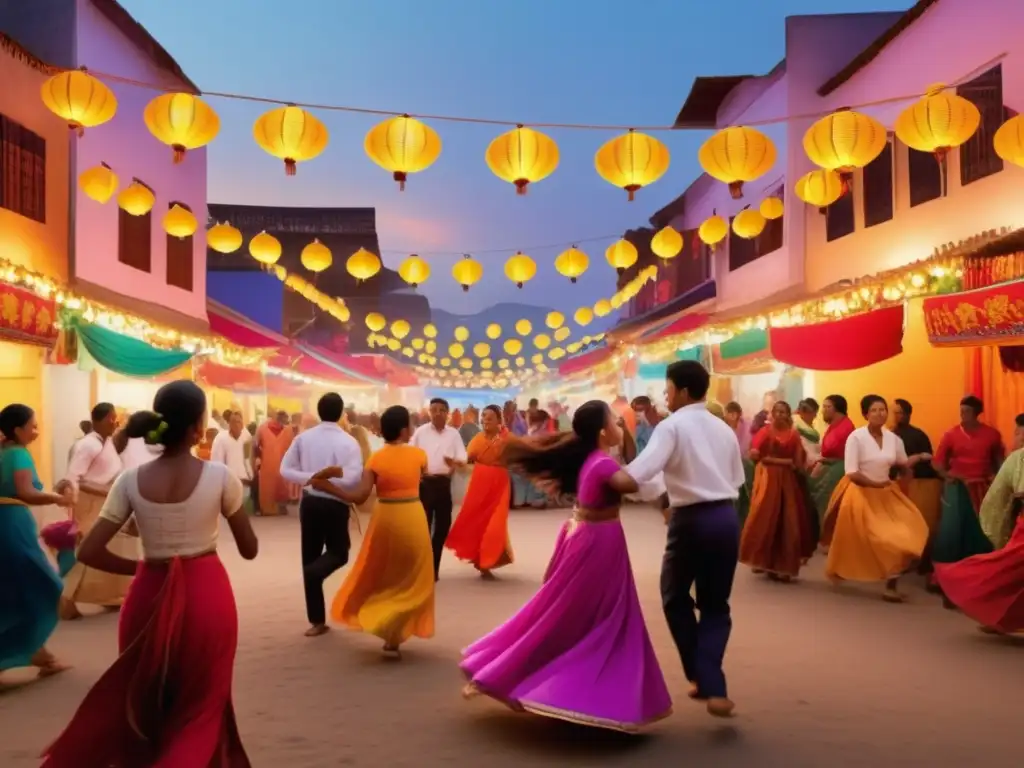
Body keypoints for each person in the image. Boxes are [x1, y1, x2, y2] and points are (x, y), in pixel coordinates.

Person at [41, 381, 258, 766]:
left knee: (146, 705)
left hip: (147, 593)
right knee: (202, 705)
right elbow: (249, 548)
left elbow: (89, 550)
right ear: (198, 426)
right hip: (206, 593)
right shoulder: (220, 477)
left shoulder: (130, 480)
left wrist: (142, 565)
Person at [461, 400, 671, 732]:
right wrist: (664, 459)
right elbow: (630, 485)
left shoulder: (594, 457)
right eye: (616, 421)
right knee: (578, 613)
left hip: (592, 536)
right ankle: (507, 673)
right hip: (597, 541)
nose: (621, 425)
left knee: (580, 612)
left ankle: (518, 673)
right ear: (603, 431)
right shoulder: (601, 462)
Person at [624, 361, 745, 718]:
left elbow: (641, 472)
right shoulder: (723, 429)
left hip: (691, 520)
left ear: (683, 391)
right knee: (715, 604)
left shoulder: (671, 426)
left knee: (674, 596)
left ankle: (705, 677)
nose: (665, 394)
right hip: (725, 518)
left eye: (668, 388)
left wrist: (603, 478)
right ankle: (711, 684)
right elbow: (736, 479)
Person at [321, 405, 434, 657]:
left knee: (382, 573)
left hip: (385, 518)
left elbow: (360, 497)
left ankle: (386, 625)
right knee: (414, 574)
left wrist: (331, 489)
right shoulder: (419, 455)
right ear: (405, 430)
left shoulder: (375, 459)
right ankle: (396, 628)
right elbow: (423, 477)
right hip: (413, 516)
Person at [820, 395, 931, 603]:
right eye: (874, 410)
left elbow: (901, 463)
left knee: (905, 533)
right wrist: (875, 484)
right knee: (867, 538)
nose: (880, 414)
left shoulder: (893, 439)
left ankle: (891, 585)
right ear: (865, 414)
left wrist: (916, 460)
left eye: (883, 410)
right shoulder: (856, 437)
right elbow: (852, 472)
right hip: (860, 492)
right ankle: (845, 570)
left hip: (887, 493)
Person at [279, 393, 364, 638]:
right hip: (335, 504)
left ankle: (316, 621)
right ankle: (314, 573)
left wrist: (310, 479)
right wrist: (328, 480)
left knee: (310, 555)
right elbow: (353, 478)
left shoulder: (303, 438)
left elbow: (285, 469)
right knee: (340, 552)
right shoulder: (349, 442)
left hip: (310, 503)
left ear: (319, 411)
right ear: (341, 413)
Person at [934, 413, 1024, 634]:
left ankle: (995, 615)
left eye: (1018, 431)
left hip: (996, 504)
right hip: (978, 499)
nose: (1016, 435)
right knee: (1005, 571)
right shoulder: (1020, 458)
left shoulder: (1003, 445)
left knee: (1010, 573)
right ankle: (968, 592)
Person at [0, 404, 72, 680]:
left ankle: (40, 654)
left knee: (14, 591)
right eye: (33, 425)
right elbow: (26, 492)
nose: (36, 431)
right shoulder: (18, 453)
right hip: (12, 525)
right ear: (17, 430)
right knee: (46, 587)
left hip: (7, 524)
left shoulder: (5, 452)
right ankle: (13, 652)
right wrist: (57, 497)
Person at [58, 401, 131, 620]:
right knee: (88, 552)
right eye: (111, 418)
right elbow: (75, 478)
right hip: (91, 503)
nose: (114, 423)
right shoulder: (87, 445)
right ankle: (65, 600)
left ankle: (111, 597)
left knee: (113, 548)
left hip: (106, 499)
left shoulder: (106, 441)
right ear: (99, 420)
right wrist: (104, 491)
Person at [739, 401, 814, 582]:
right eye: (777, 412)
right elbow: (754, 454)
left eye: (783, 412)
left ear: (789, 414)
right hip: (768, 479)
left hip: (787, 481)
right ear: (772, 414)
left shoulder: (794, 434)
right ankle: (765, 561)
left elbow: (798, 460)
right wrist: (762, 456)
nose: (780, 415)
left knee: (788, 521)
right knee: (765, 517)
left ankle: (785, 565)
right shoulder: (765, 432)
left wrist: (794, 464)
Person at [931, 395, 1005, 577]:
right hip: (957, 487)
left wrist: (999, 479)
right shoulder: (951, 434)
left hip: (982, 487)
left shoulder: (992, 435)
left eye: (967, 411)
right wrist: (946, 475)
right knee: (952, 529)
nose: (963, 415)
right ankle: (944, 575)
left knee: (981, 528)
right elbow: (937, 462)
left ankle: (979, 572)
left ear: (977, 413)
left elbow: (999, 461)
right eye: (961, 411)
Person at [445, 404, 514, 578]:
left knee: (495, 521)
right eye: (483, 417)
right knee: (477, 520)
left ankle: (488, 559)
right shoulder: (477, 439)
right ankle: (481, 559)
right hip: (480, 483)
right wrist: (454, 462)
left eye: (490, 418)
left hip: (500, 483)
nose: (485, 421)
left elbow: (518, 458)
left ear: (499, 420)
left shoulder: (508, 439)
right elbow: (465, 459)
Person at [411, 398, 467, 581]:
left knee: (442, 528)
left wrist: (455, 462)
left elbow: (462, 457)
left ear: (447, 413)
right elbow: (411, 454)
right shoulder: (420, 432)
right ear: (429, 412)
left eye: (441, 410)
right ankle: (422, 569)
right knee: (423, 528)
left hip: (444, 484)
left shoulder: (454, 434)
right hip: (425, 484)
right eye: (433, 409)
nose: (437, 413)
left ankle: (433, 567)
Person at [808, 394, 856, 527]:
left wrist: (821, 461)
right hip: (829, 467)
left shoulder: (845, 427)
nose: (823, 410)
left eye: (827, 407)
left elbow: (831, 450)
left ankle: (828, 539)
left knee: (828, 502)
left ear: (837, 410)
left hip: (838, 469)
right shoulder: (835, 425)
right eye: (823, 406)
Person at [252, 411, 293, 516]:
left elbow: (291, 447)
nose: (284, 421)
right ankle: (267, 508)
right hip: (267, 462)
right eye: (282, 419)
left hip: (282, 462)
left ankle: (281, 506)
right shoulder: (263, 429)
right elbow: (256, 445)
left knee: (282, 485)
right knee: (268, 485)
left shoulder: (288, 431)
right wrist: (257, 458)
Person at [212, 411, 253, 513]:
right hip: (228, 480)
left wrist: (251, 474)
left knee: (241, 506)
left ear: (242, 424)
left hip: (244, 479)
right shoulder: (221, 438)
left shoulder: (246, 438)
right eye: (233, 422)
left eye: (239, 422)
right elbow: (217, 460)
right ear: (229, 423)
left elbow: (248, 458)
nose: (236, 424)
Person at [795, 398, 821, 467]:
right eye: (813, 413)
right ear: (803, 413)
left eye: (816, 413)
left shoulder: (809, 427)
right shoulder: (797, 428)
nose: (815, 416)